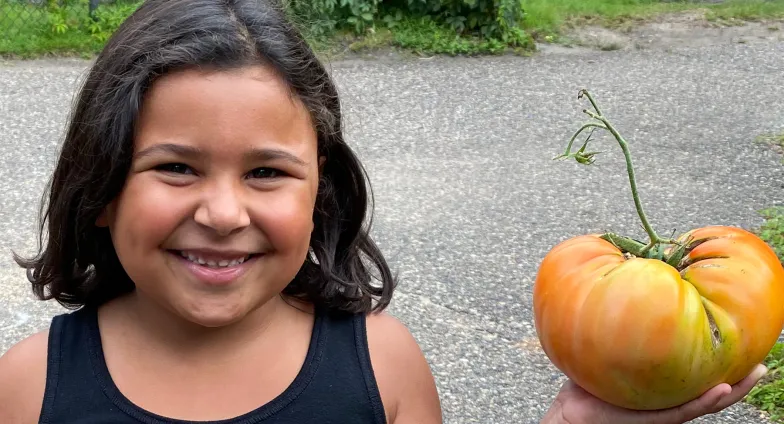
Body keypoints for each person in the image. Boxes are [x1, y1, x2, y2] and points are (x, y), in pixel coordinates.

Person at [0, 0, 768, 423]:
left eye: (267, 171)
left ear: (319, 193)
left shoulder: (384, 367)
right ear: (100, 189)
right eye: (175, 167)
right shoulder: (30, 387)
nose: (224, 210)